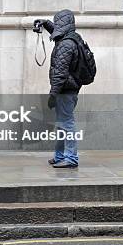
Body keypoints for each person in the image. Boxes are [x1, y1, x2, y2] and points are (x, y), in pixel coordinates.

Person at [34, 9, 82, 169]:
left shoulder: (65, 45)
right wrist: (46, 23)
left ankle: (71, 158)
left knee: (67, 124)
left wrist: (52, 95)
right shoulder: (71, 38)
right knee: (62, 124)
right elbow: (57, 32)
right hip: (69, 90)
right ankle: (60, 156)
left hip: (65, 91)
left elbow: (60, 74)